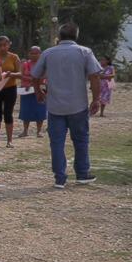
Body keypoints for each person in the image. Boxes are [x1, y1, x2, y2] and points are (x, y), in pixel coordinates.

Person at [30, 22, 103, 189]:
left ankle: (60, 178)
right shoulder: (85, 52)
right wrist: (96, 99)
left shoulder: (48, 53)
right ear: (76, 36)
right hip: (78, 104)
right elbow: (94, 76)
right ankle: (83, 174)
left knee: (56, 142)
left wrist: (38, 91)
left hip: (55, 105)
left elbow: (35, 75)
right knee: (81, 140)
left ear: (60, 36)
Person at [0, 36, 21, 148]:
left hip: (10, 88)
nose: (3, 47)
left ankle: (9, 140)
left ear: (9, 45)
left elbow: (20, 74)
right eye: (0, 45)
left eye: (5, 45)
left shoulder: (14, 57)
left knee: (8, 113)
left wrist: (11, 74)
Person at [19, 46, 48, 137]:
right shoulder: (25, 64)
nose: (34, 55)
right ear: (29, 54)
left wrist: (33, 81)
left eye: (36, 53)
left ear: (40, 54)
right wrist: (32, 80)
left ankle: (39, 131)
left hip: (40, 90)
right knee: (25, 110)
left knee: (40, 110)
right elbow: (21, 75)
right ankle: (25, 130)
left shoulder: (44, 64)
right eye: (32, 53)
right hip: (26, 91)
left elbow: (44, 76)